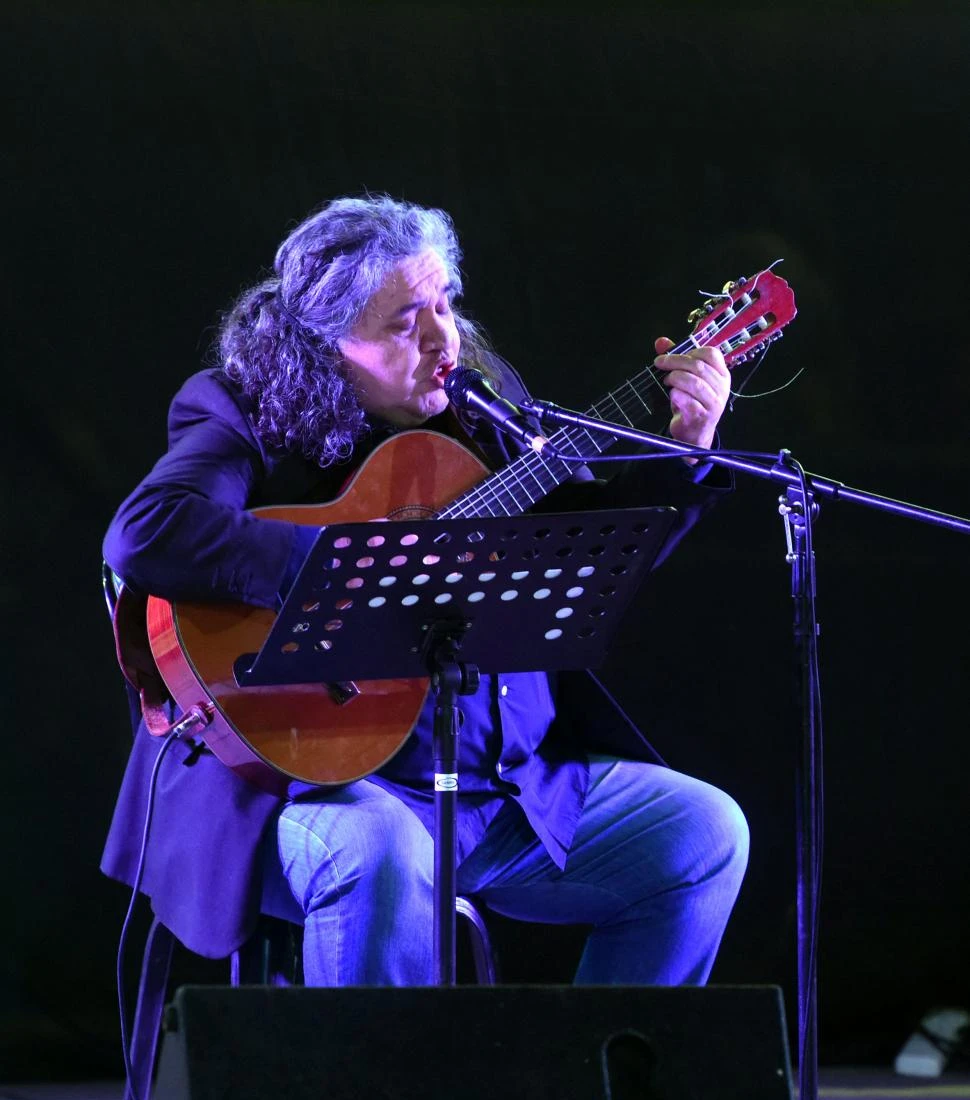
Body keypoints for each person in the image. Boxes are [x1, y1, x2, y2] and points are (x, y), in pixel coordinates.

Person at [101, 193, 748, 988]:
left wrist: (684, 454)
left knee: (704, 833)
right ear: (329, 341)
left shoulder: (481, 406)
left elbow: (587, 548)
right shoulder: (243, 410)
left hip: (502, 788)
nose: (444, 338)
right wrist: (361, 569)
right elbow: (148, 528)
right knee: (384, 850)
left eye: (446, 303)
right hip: (317, 790)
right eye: (407, 321)